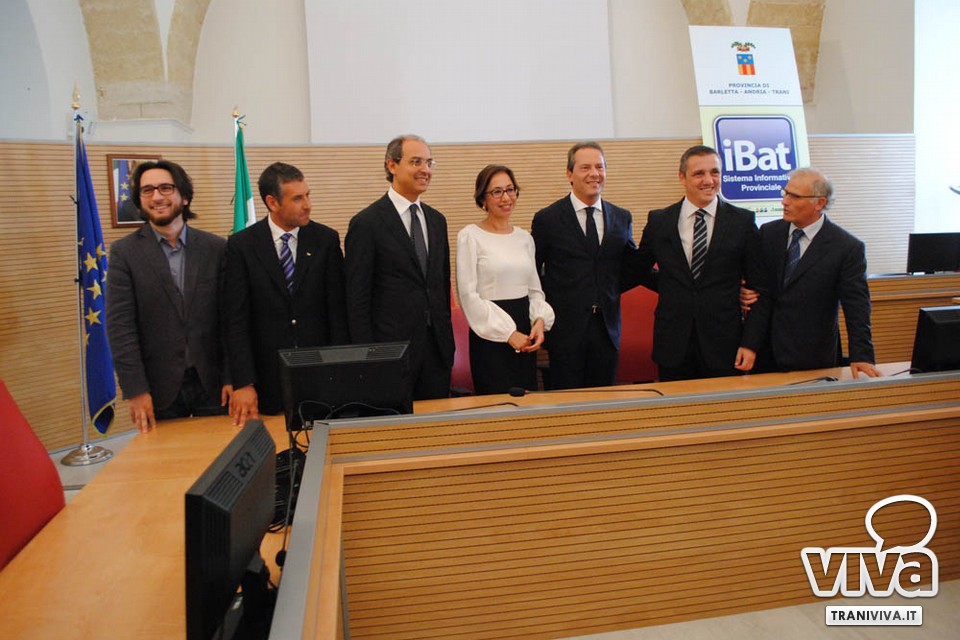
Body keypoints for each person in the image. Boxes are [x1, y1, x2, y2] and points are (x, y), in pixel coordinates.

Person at [106, 160, 230, 432]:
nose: (157, 197)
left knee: (221, 454)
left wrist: (233, 377)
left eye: (165, 188)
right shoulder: (124, 254)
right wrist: (135, 390)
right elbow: (120, 328)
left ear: (184, 196)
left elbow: (231, 320)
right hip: (157, 389)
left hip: (214, 384)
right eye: (147, 190)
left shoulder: (216, 248)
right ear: (139, 200)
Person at [626, 145, 768, 382]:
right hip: (673, 344)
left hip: (725, 345)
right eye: (699, 173)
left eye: (715, 172)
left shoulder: (742, 222)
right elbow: (638, 270)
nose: (708, 180)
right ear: (682, 177)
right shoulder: (660, 221)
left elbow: (760, 289)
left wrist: (750, 344)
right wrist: (670, 286)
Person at [222, 162, 349, 424]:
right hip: (267, 380)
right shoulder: (242, 245)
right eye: (297, 198)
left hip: (319, 376)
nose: (308, 205)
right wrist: (243, 382)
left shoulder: (325, 240)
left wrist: (340, 371)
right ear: (272, 202)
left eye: (308, 195)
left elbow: (337, 312)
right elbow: (236, 320)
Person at [345, 135, 455, 400]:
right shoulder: (367, 223)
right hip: (390, 354)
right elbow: (357, 300)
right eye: (416, 162)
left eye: (429, 163)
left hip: (436, 352)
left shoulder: (437, 220)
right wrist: (367, 357)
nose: (425, 170)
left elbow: (441, 286)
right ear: (392, 165)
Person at [750, 167, 880, 378]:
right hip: (766, 352)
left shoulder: (846, 247)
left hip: (814, 355)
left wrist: (862, 355)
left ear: (820, 203)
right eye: (785, 193)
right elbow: (759, 284)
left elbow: (857, 307)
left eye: (794, 196)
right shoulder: (768, 233)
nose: (784, 201)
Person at [531, 141, 639, 389]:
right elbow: (534, 274)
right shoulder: (548, 219)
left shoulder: (622, 217)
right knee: (567, 403)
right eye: (585, 167)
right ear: (569, 173)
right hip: (565, 331)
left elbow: (631, 268)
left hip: (607, 329)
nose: (594, 174)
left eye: (600, 167)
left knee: (605, 402)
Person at [457, 165, 555, 394]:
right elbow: (468, 296)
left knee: (527, 402)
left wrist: (539, 321)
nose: (506, 198)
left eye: (510, 190)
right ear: (483, 198)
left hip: (525, 334)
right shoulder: (470, 236)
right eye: (497, 192)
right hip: (489, 334)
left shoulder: (524, 238)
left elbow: (535, 291)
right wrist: (508, 333)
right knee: (496, 403)